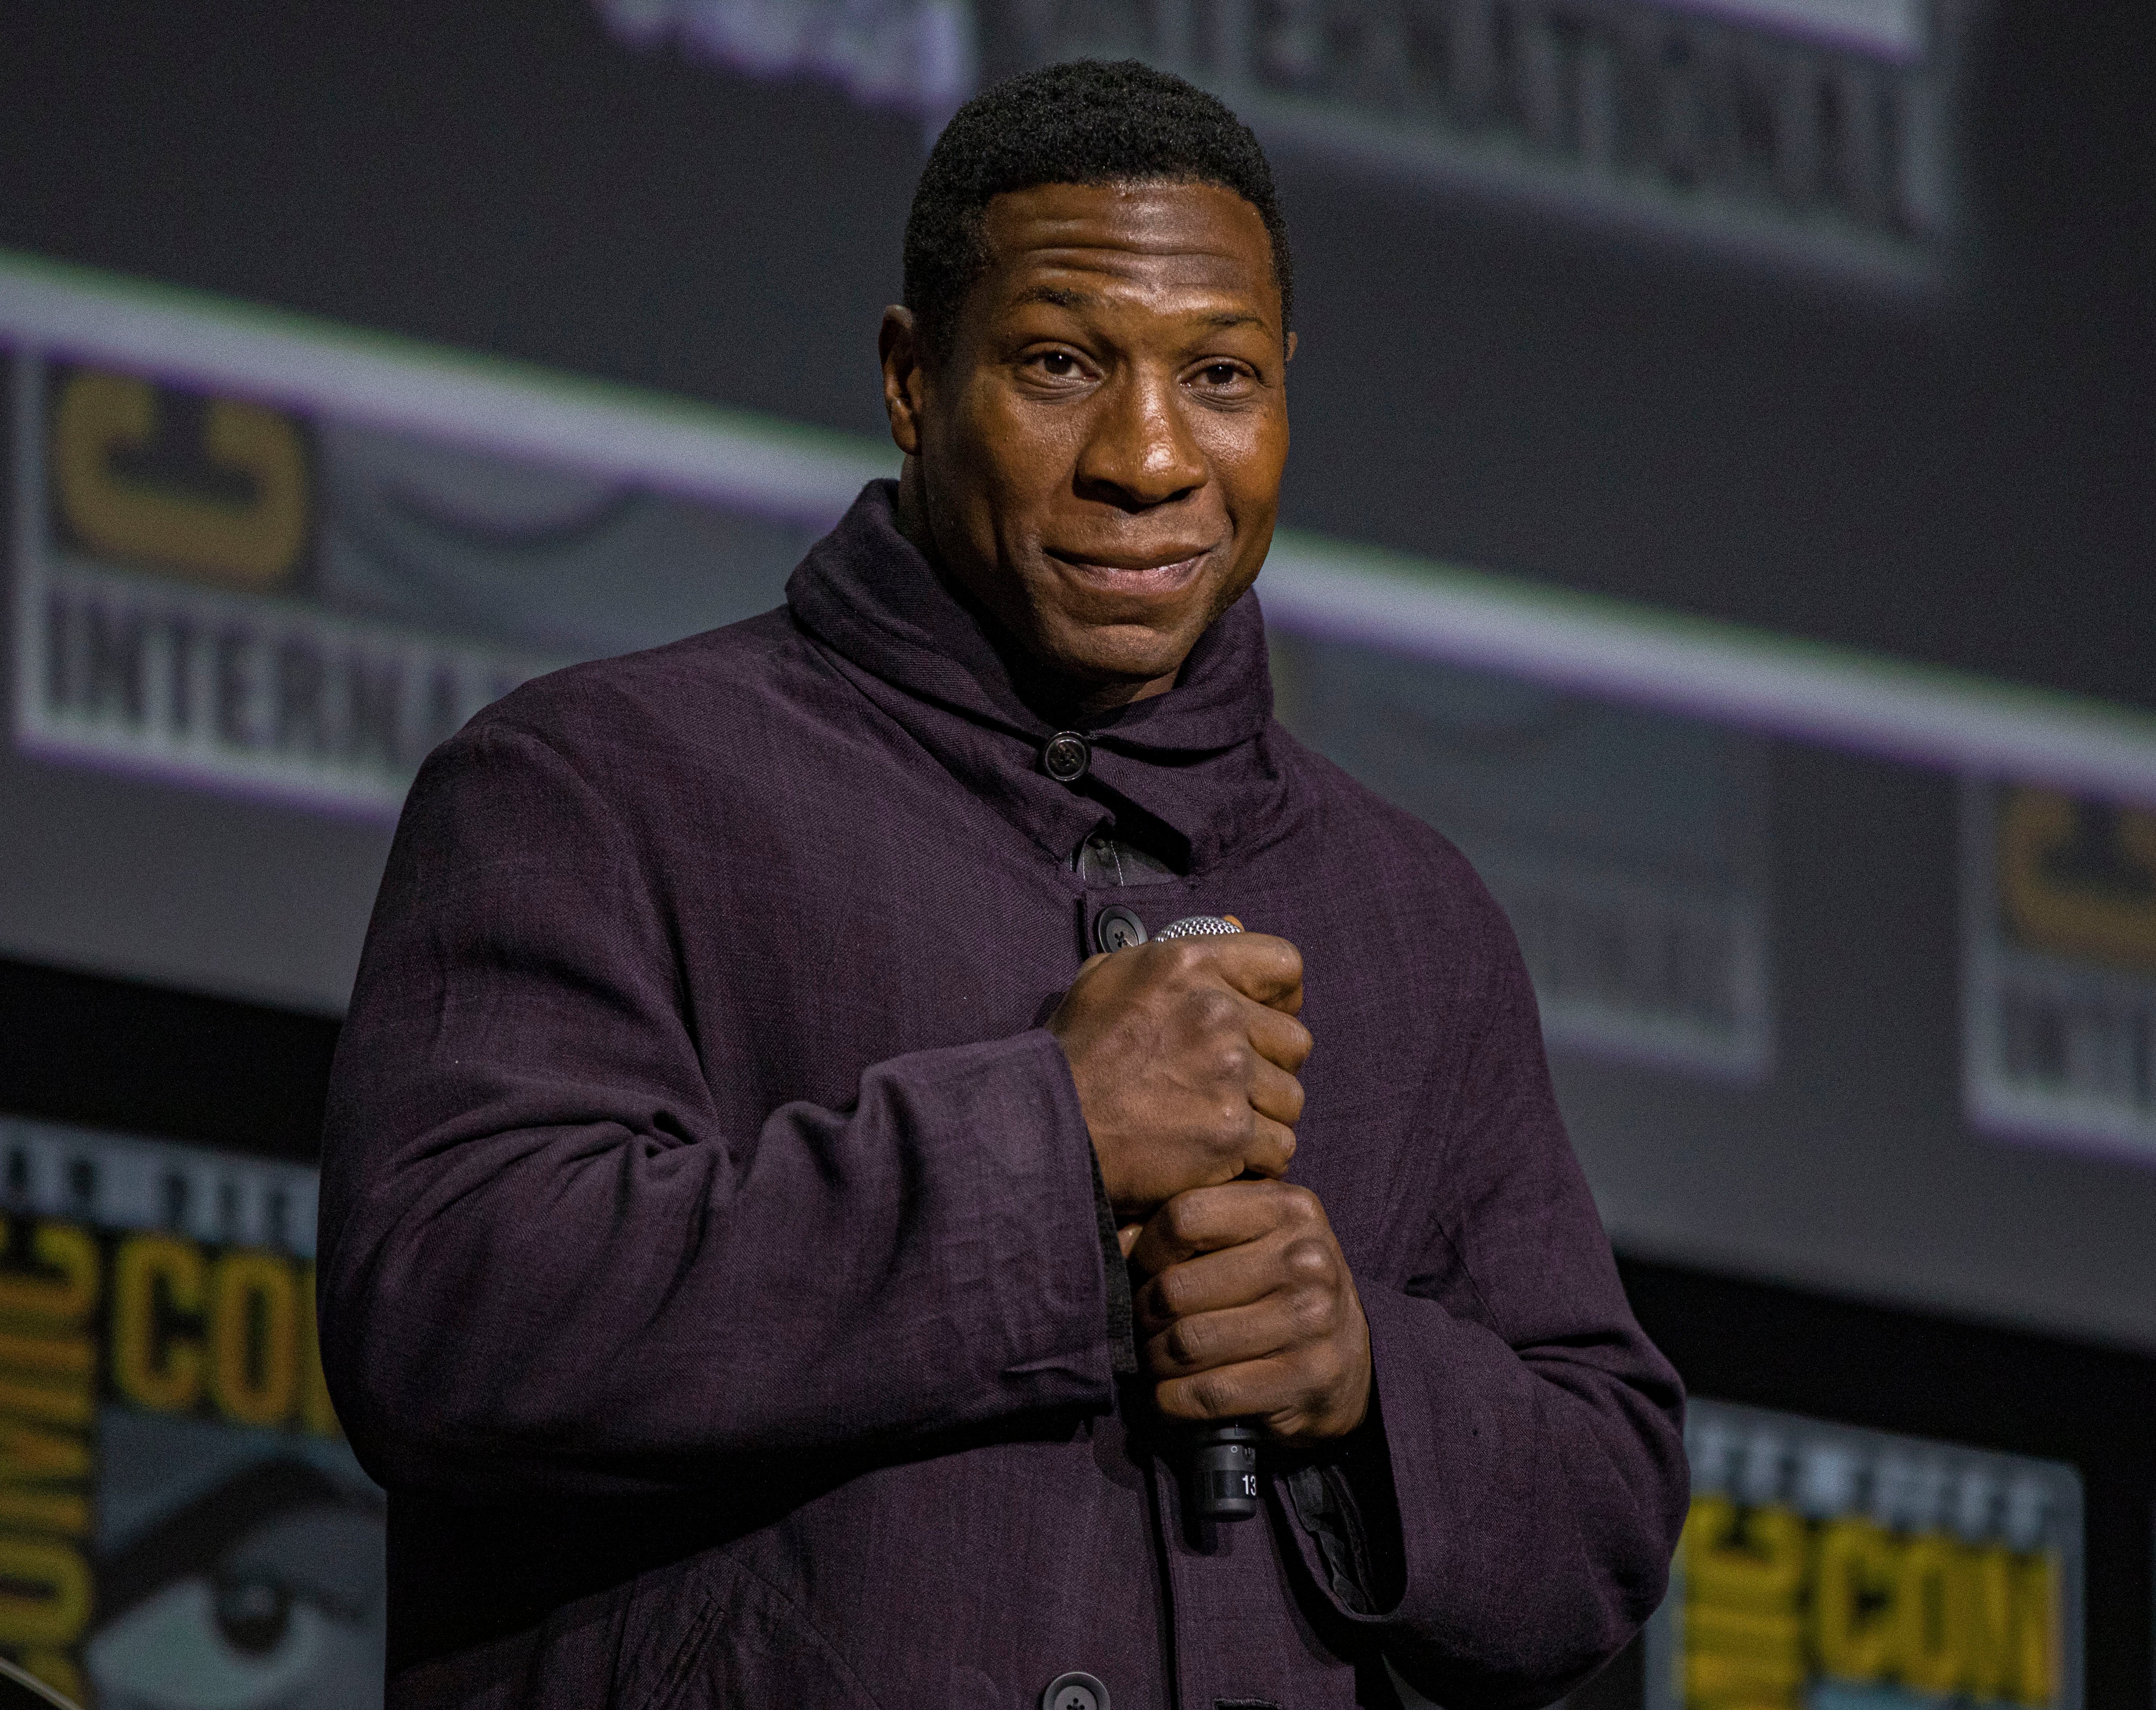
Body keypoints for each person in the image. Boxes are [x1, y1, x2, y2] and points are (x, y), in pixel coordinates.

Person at [319, 58, 1687, 1710]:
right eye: (1061, 364)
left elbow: (1603, 1510)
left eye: (1224, 377)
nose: (1152, 455)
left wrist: (1363, 1378)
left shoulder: (1410, 913)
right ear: (914, 379)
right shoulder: (601, 782)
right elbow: (450, 1313)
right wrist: (1049, 1147)